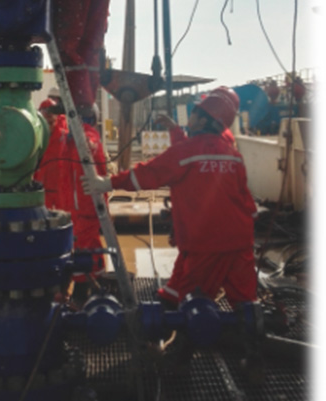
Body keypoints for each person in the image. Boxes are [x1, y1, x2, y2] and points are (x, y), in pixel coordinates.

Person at [82, 86, 258, 308]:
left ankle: (175, 317)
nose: (190, 116)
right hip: (240, 242)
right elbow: (247, 203)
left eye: (195, 112)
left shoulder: (186, 152)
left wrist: (107, 183)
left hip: (206, 244)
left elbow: (150, 173)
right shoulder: (233, 155)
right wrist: (175, 131)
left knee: (189, 305)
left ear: (203, 120)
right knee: (247, 306)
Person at [59, 105, 109, 306]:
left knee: (85, 250)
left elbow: (90, 147)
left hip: (85, 207)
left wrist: (82, 139)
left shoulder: (87, 136)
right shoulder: (70, 138)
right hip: (75, 207)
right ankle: (91, 291)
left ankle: (84, 296)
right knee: (82, 248)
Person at [35, 98, 68, 210]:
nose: (49, 125)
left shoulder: (65, 137)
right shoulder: (35, 138)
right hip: (42, 187)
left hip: (60, 188)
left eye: (51, 122)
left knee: (63, 215)